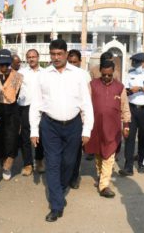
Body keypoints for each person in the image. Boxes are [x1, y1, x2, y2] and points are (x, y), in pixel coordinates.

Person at [30, 39, 93, 222]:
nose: (56, 57)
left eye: (59, 54)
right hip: (50, 126)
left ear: (66, 54)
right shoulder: (43, 75)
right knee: (52, 164)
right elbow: (36, 103)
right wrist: (34, 130)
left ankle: (59, 189)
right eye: (53, 54)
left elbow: (86, 103)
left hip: (73, 125)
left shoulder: (79, 74)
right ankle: (56, 205)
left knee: (69, 163)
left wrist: (87, 129)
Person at [85, 60, 130, 198]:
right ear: (100, 71)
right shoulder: (92, 85)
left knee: (109, 154)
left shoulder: (120, 87)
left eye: (109, 75)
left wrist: (126, 125)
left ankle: (104, 185)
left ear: (113, 72)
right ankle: (101, 176)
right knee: (98, 153)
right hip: (95, 127)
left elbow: (125, 107)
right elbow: (86, 105)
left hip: (112, 128)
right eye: (104, 74)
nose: (106, 77)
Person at [0, 49, 22, 191]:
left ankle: (7, 166)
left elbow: (17, 95)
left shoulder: (18, 76)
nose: (4, 67)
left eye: (7, 64)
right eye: (1, 64)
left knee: (12, 142)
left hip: (11, 111)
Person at [67, 48, 91, 189]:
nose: (72, 64)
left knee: (76, 149)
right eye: (70, 62)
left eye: (75, 62)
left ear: (80, 62)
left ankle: (74, 177)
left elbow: (88, 98)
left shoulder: (84, 75)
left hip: (78, 117)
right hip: (63, 116)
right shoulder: (61, 74)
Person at [18, 49, 44, 176]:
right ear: (26, 58)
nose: (32, 59)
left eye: (34, 56)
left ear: (38, 57)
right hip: (25, 107)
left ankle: (39, 161)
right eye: (29, 57)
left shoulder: (45, 73)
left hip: (41, 108)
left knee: (41, 135)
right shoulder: (21, 73)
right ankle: (27, 164)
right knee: (25, 136)